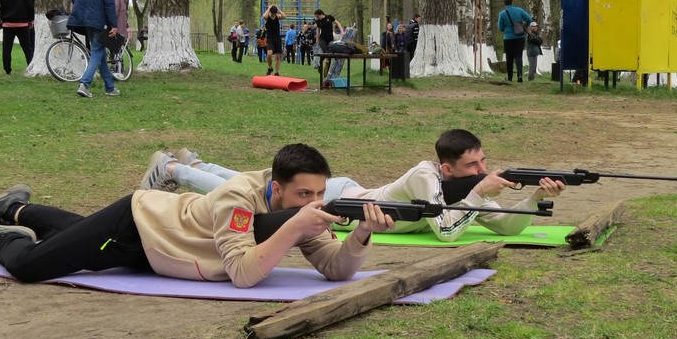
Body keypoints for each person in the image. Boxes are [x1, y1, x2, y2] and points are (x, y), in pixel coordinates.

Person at [0, 144, 395, 289]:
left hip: (163, 250)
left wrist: (360, 235)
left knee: (73, 233)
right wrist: (296, 226)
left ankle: (14, 206)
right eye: (303, 194)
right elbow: (243, 274)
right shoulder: (238, 196)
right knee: (32, 266)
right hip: (140, 225)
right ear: (276, 188)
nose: (312, 202)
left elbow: (336, 270)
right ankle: (1, 236)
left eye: (319, 194)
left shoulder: (296, 210)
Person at [141, 129, 564, 243]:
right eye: (473, 165)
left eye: (484, 162)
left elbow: (505, 227)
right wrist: (479, 192)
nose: (483, 169)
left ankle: (198, 164)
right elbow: (446, 230)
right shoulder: (424, 176)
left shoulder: (461, 192)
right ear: (447, 169)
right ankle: (174, 168)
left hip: (353, 189)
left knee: (258, 183)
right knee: (254, 190)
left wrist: (535, 196)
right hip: (342, 198)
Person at [67, 0, 119, 98]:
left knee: (99, 52)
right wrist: (114, 24)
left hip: (83, 20)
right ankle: (84, 84)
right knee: (97, 51)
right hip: (98, 20)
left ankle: (110, 87)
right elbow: (109, 1)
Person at [497, 0, 533, 83]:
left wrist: (507, 29)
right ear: (512, 2)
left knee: (509, 57)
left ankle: (510, 77)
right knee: (518, 56)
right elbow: (529, 19)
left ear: (505, 4)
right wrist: (524, 24)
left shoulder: (502, 13)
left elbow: (500, 28)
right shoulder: (519, 10)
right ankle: (519, 75)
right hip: (520, 37)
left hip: (508, 38)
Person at [263, 3, 284, 75]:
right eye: (272, 13)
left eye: (274, 13)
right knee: (269, 54)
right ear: (270, 12)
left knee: (278, 56)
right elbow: (264, 16)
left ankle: (277, 72)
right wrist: (269, 8)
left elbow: (284, 16)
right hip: (270, 39)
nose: (273, 15)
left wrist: (278, 9)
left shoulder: (277, 17)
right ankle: (270, 67)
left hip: (277, 38)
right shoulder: (268, 18)